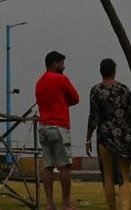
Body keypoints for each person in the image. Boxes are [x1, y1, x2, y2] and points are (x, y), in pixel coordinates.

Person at [86, 58, 131, 210]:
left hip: (104, 138)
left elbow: (93, 117)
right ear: (114, 71)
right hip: (122, 137)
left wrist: (88, 138)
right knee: (124, 177)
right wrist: (128, 133)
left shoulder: (96, 91)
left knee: (107, 176)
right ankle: (126, 207)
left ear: (101, 72)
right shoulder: (124, 89)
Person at [34, 50, 79, 210]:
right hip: (59, 125)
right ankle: (66, 203)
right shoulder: (62, 79)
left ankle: (50, 203)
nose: (63, 66)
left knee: (48, 165)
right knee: (64, 165)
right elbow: (75, 98)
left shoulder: (39, 82)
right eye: (61, 63)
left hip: (43, 125)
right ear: (54, 64)